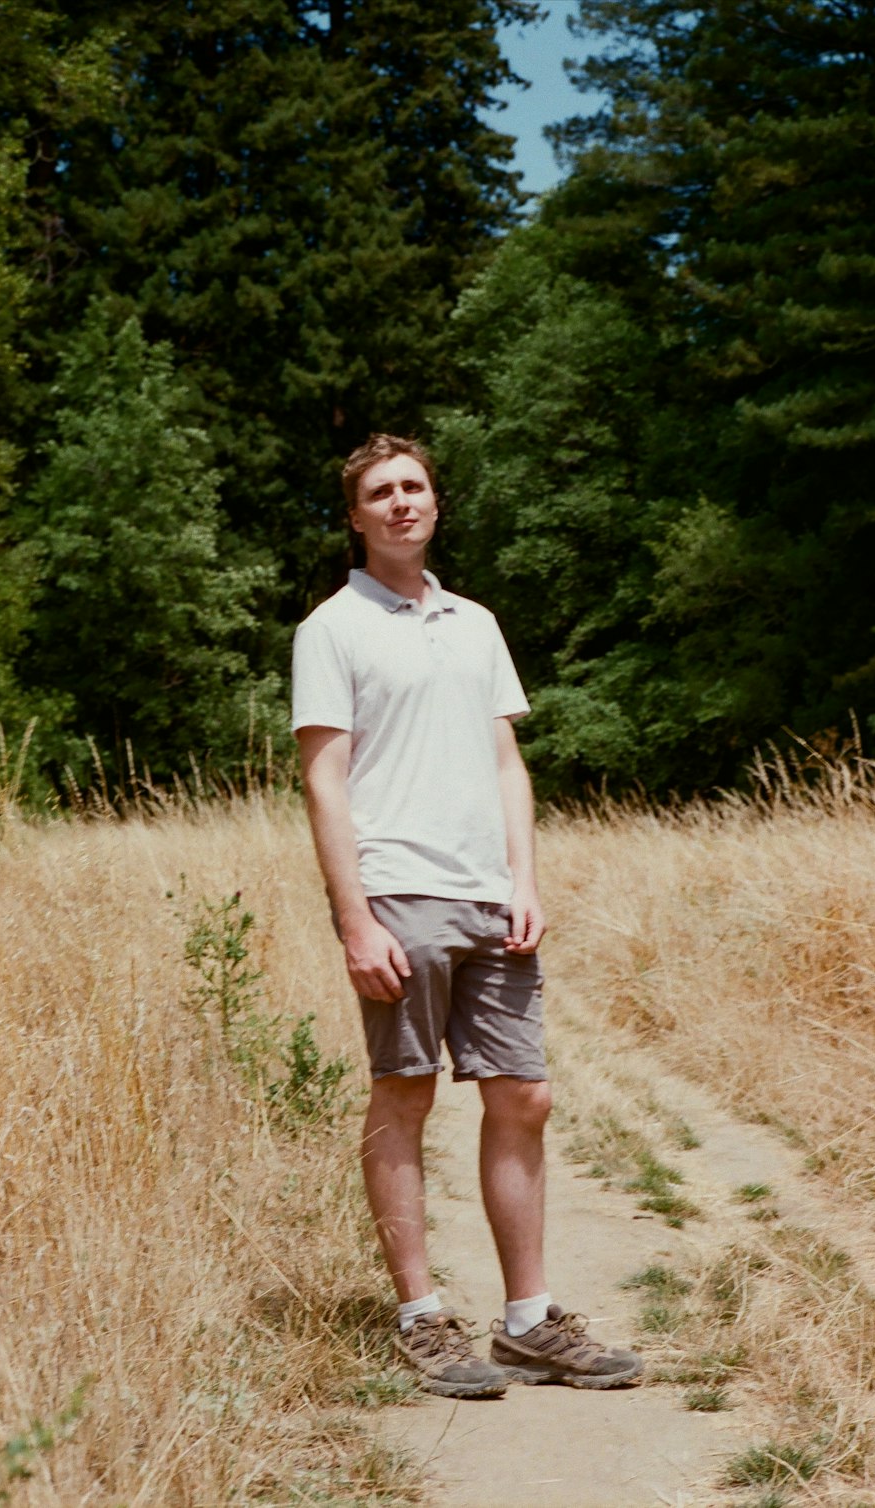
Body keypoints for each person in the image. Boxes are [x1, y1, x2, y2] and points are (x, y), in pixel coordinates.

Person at [292, 433, 642, 1398]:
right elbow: (324, 781)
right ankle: (420, 1316)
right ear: (356, 517)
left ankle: (529, 1322)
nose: (401, 501)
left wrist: (524, 878)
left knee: (524, 1094)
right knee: (405, 1092)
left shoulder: (477, 623)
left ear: (436, 504)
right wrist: (354, 917)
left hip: (491, 894)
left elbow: (504, 763)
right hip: (397, 890)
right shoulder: (332, 629)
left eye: (415, 486)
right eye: (380, 492)